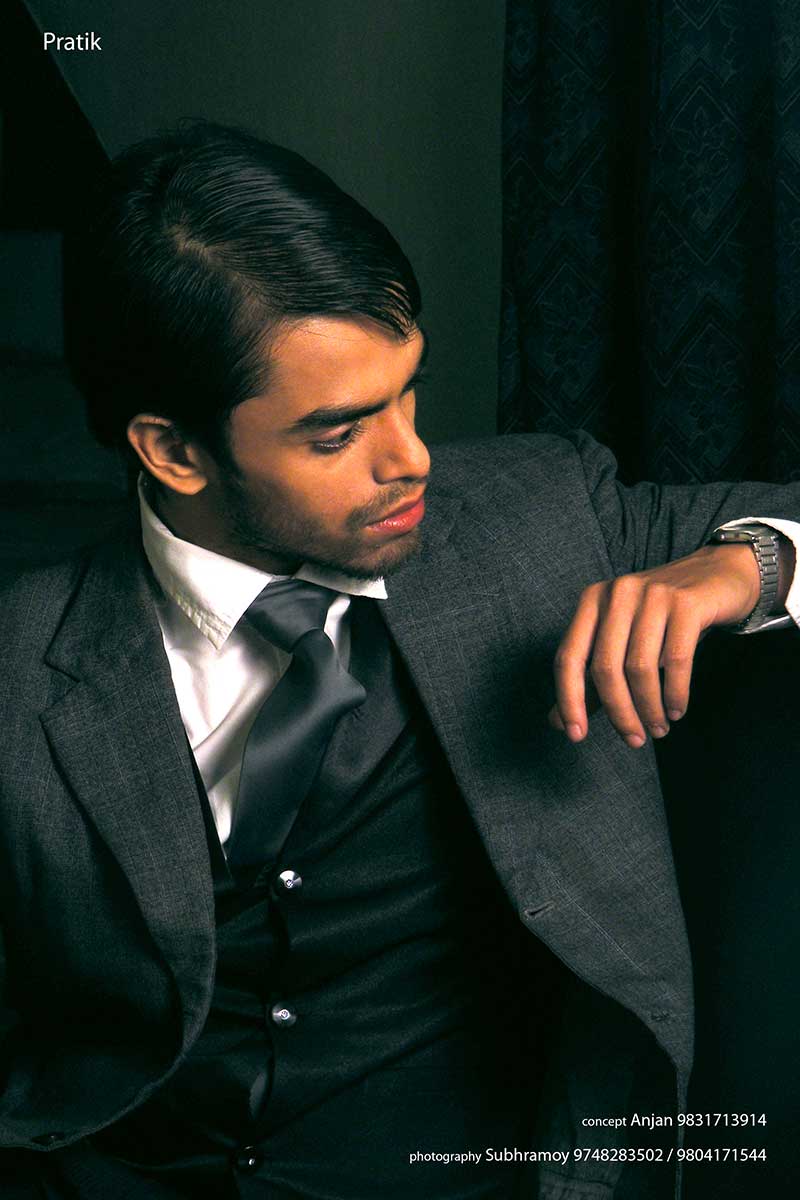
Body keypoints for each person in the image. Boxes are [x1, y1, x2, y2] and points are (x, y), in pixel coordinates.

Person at [1, 122, 798, 1200]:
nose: (411, 456)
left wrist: (739, 563)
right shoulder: (23, 660)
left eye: (407, 391)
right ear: (174, 450)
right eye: (336, 434)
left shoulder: (542, 514)